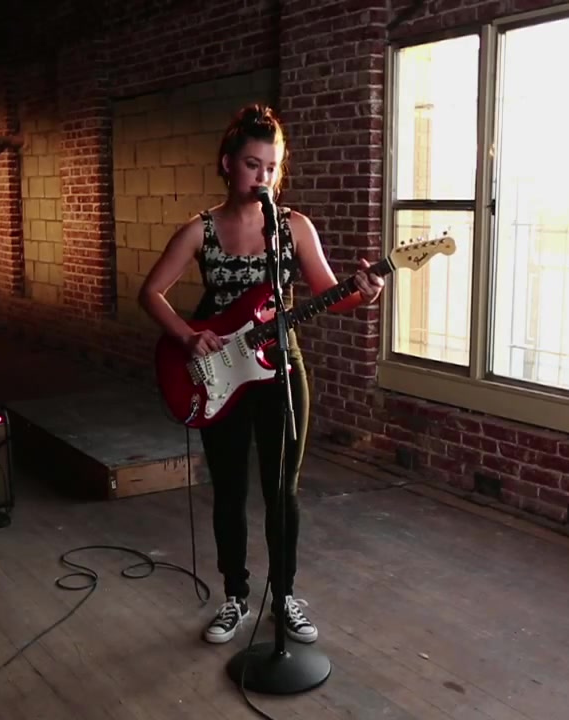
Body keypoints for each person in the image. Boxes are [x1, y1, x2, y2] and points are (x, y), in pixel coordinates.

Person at [138, 103, 385, 645]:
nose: (263, 178)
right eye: (253, 165)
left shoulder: (293, 227)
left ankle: (286, 596)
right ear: (228, 163)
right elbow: (150, 292)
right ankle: (234, 597)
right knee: (229, 489)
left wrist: (363, 293)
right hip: (218, 373)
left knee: (282, 491)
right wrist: (187, 336)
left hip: (280, 371)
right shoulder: (200, 229)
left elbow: (328, 295)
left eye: (272, 167)